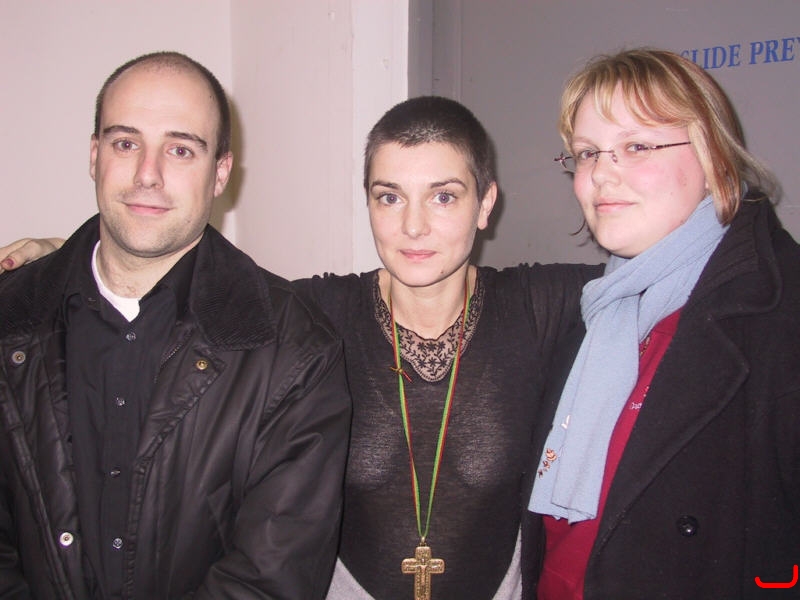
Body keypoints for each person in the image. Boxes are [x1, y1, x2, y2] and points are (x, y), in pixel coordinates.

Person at [0, 95, 600, 599]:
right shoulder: (318, 313)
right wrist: (68, 258)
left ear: (485, 202)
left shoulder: (538, 307)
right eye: (389, 196)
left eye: (443, 196)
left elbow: (650, 273)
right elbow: (194, 282)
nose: (413, 226)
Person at [0, 51, 351, 599]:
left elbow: (270, 579)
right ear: (94, 156)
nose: (148, 174)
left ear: (221, 173)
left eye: (181, 149)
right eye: (125, 143)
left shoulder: (296, 351)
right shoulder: (10, 318)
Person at [522, 48, 800, 599]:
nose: (601, 174)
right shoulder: (598, 307)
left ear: (714, 158)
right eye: (587, 152)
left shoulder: (781, 319)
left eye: (637, 146)